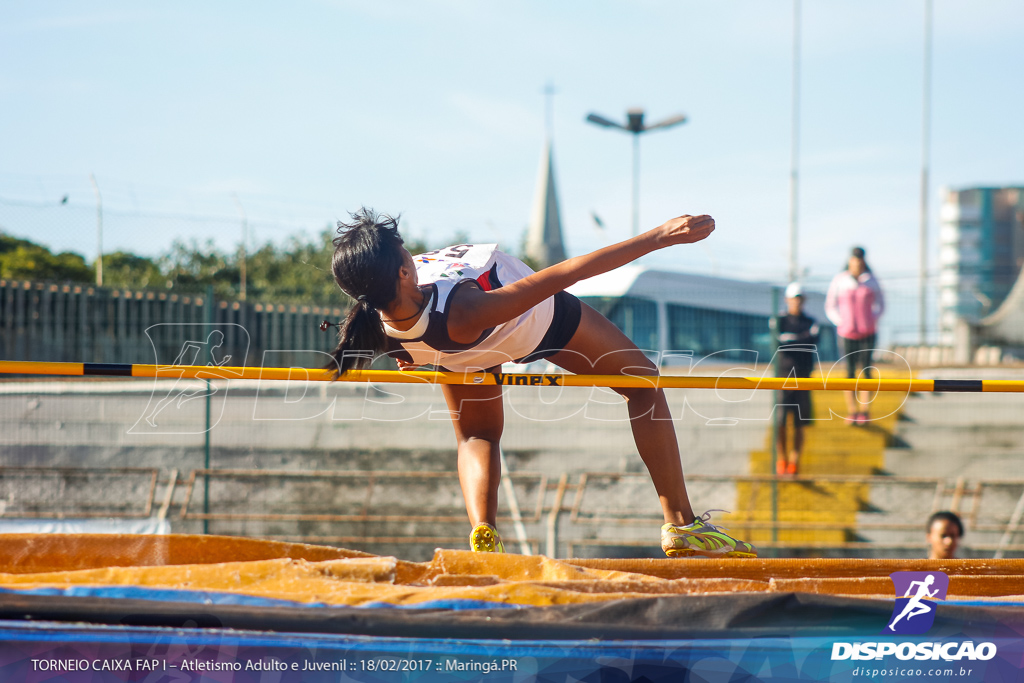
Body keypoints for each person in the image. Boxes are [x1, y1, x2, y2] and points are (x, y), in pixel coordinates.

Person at [326, 208, 757, 558]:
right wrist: (658, 237)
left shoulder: (377, 325)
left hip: (458, 355)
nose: (411, 256)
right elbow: (569, 272)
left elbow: (407, 356)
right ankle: (681, 523)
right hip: (543, 325)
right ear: (401, 275)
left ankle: (484, 533)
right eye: (405, 254)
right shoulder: (465, 309)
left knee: (477, 434)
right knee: (643, 384)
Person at [825, 246, 884, 425]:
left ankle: (864, 411)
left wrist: (872, 319)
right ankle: (852, 410)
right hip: (847, 333)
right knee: (849, 371)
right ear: (850, 261)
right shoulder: (840, 280)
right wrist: (841, 321)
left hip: (868, 332)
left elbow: (881, 304)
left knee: (866, 370)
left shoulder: (872, 281)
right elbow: (830, 305)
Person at [774, 282, 820, 476]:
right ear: (787, 300)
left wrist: (792, 340)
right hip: (783, 377)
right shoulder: (780, 320)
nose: (797, 302)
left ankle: (794, 461)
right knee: (781, 421)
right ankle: (781, 459)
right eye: (794, 298)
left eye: (799, 298)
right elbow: (780, 342)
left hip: (804, 377)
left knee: (801, 423)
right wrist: (801, 339)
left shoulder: (811, 321)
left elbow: (810, 342)